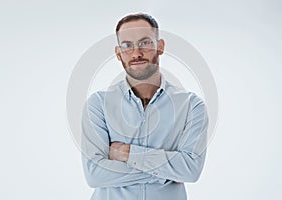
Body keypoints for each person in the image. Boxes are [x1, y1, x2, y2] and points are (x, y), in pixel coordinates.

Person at [81, 13, 209, 200]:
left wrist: (127, 153)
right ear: (118, 53)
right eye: (127, 46)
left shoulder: (191, 106)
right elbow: (95, 175)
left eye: (145, 43)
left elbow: (190, 170)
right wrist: (167, 172)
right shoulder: (98, 104)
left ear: (160, 47)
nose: (136, 53)